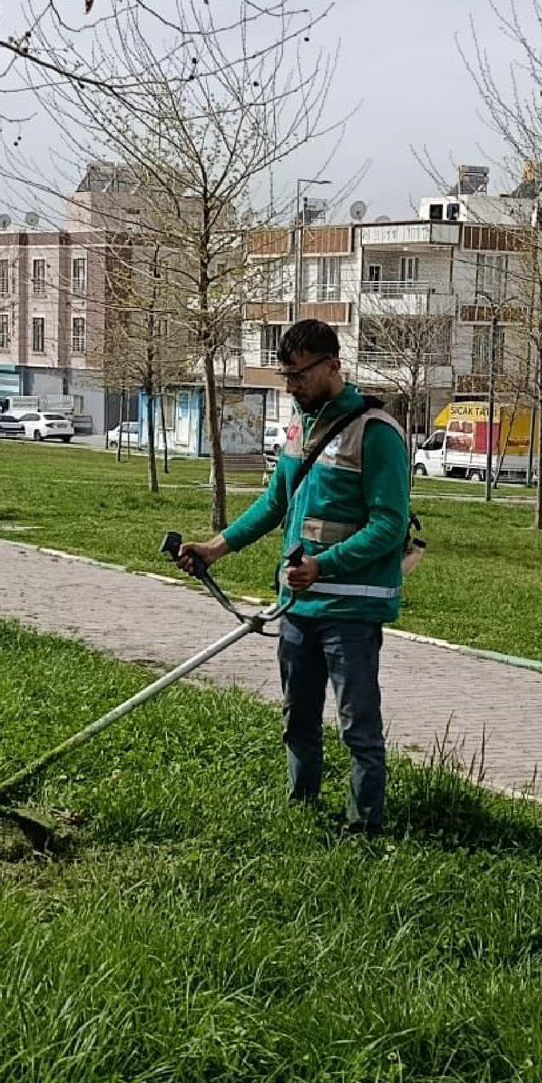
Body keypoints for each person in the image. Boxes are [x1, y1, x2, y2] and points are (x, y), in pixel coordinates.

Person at [177, 319, 411, 835]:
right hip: (298, 608)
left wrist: (323, 565)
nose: (291, 387)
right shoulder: (299, 428)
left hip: (349, 608)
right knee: (297, 718)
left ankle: (364, 826)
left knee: (358, 727)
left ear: (333, 366)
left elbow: (389, 526)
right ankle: (302, 811)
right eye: (286, 377)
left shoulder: (375, 433)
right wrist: (215, 548)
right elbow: (275, 503)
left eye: (300, 376)